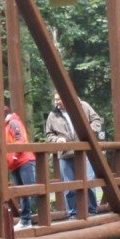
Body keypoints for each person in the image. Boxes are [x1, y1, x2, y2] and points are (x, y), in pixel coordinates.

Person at [43, 89, 105, 220]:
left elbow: (96, 120)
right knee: (69, 186)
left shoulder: (84, 106)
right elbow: (49, 134)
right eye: (55, 100)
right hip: (65, 153)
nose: (56, 102)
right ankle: (73, 213)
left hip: (84, 151)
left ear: (66, 99)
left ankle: (92, 210)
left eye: (58, 99)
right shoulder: (53, 115)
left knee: (88, 181)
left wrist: (91, 129)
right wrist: (56, 140)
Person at [3, 103, 36, 227]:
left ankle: (27, 219)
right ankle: (25, 219)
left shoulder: (12, 123)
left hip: (23, 160)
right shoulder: (5, 126)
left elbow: (20, 139)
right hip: (14, 163)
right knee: (21, 192)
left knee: (28, 191)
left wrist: (15, 156)